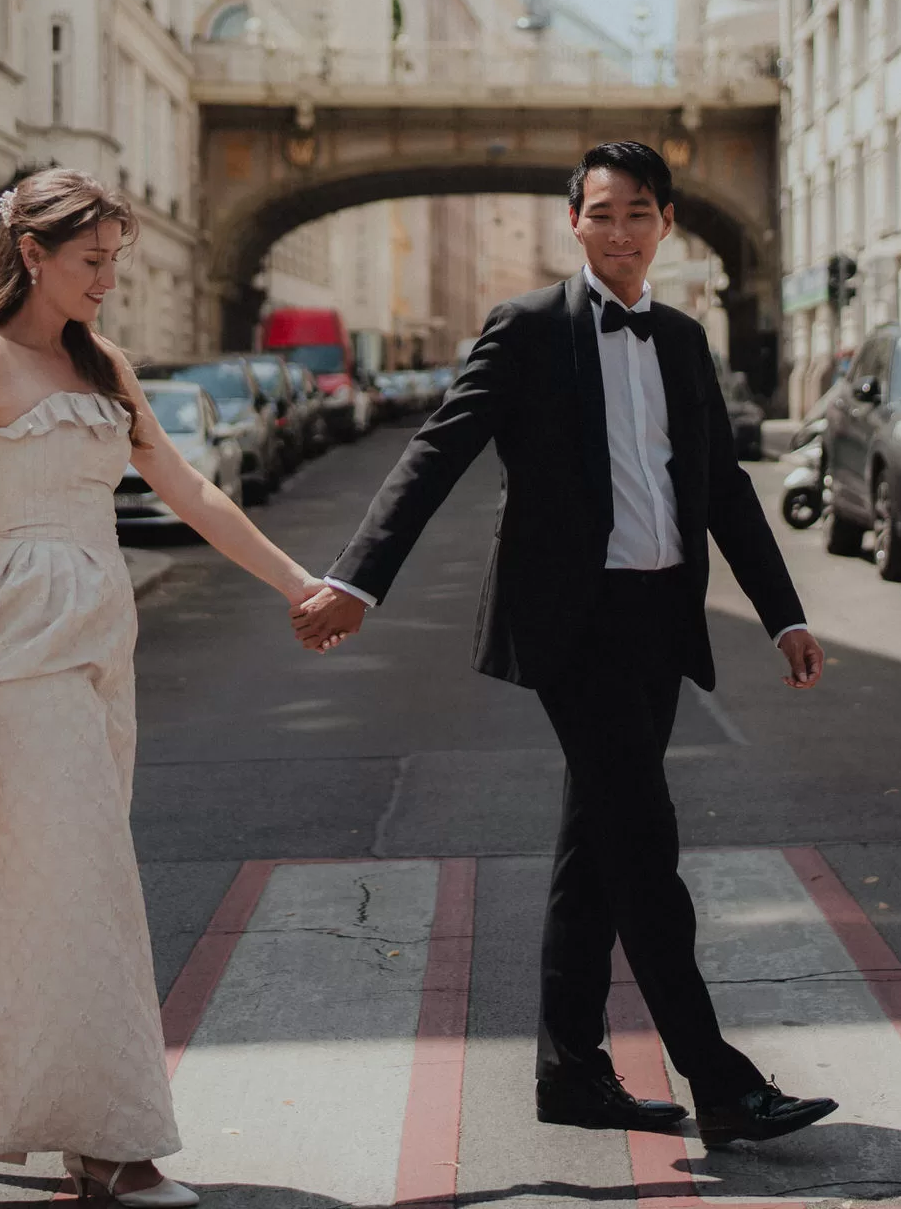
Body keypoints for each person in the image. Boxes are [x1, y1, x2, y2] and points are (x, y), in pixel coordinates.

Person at [290, 141, 838, 1149]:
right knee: (643, 843)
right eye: (601, 213)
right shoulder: (529, 329)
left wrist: (784, 612)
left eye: (639, 212)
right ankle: (718, 1078)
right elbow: (436, 448)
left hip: (662, 618)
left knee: (596, 849)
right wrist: (358, 577)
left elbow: (721, 486)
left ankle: (572, 1072)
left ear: (666, 222)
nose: (620, 230)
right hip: (571, 627)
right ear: (573, 223)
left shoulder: (680, 337)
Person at [0, 170, 324, 1204]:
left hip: (100, 647)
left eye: (116, 260)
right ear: (32, 254)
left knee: (55, 890)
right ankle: (114, 1144)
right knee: (91, 891)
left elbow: (191, 488)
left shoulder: (101, 362)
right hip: (12, 651)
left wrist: (300, 583)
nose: (110, 280)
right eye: (92, 261)